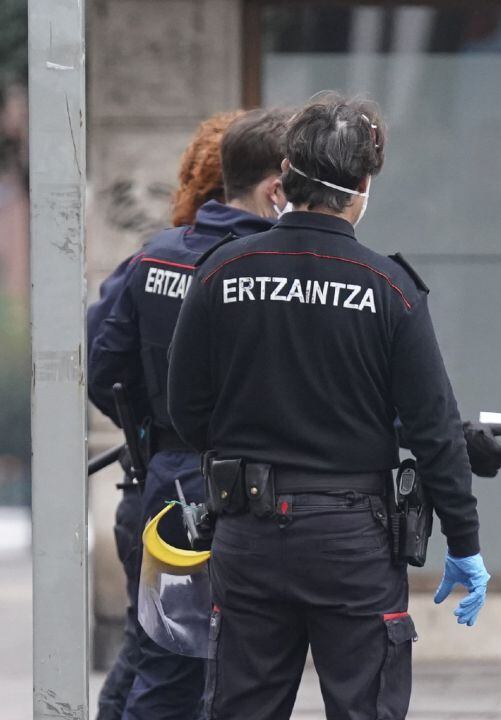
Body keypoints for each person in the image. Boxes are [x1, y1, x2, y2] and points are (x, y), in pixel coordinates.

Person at [167, 95, 489, 720]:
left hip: (248, 534)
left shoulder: (219, 271)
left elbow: (186, 408)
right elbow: (435, 431)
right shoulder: (389, 288)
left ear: (284, 173)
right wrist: (465, 539)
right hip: (353, 542)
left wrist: (247, 445)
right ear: (362, 186)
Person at [87, 107, 291, 720]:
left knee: (158, 660)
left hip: (162, 484)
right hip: (241, 496)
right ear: (276, 186)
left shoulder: (154, 259)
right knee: (202, 678)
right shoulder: (270, 267)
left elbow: (104, 367)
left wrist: (156, 434)